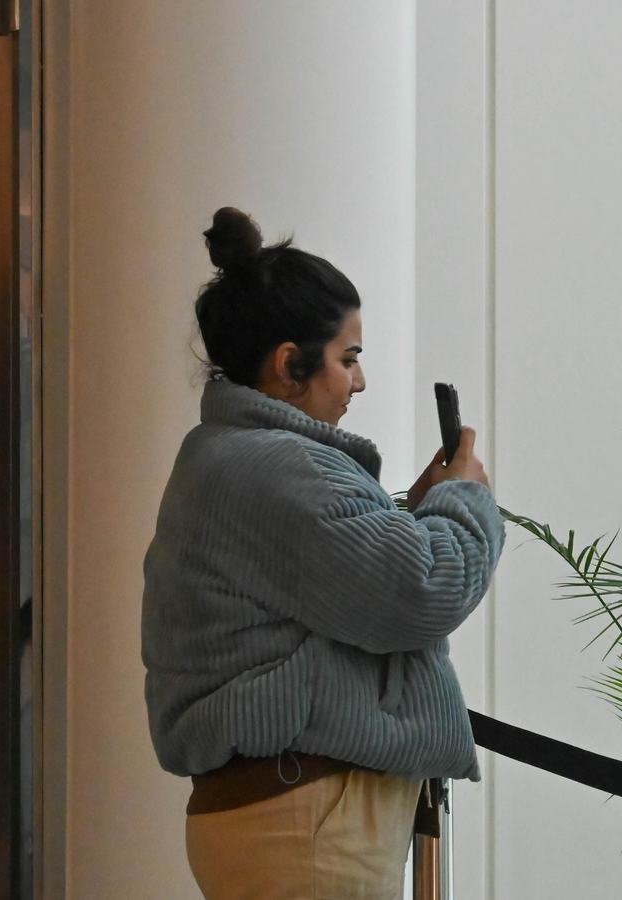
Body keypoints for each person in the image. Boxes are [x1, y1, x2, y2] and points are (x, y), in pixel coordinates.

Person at [142, 208, 504, 900]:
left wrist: (410, 510)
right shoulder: (280, 468)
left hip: (286, 817)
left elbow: (331, 582)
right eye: (349, 358)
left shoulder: (228, 458)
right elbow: (421, 589)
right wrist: (466, 500)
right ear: (288, 365)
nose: (359, 383)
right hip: (305, 823)